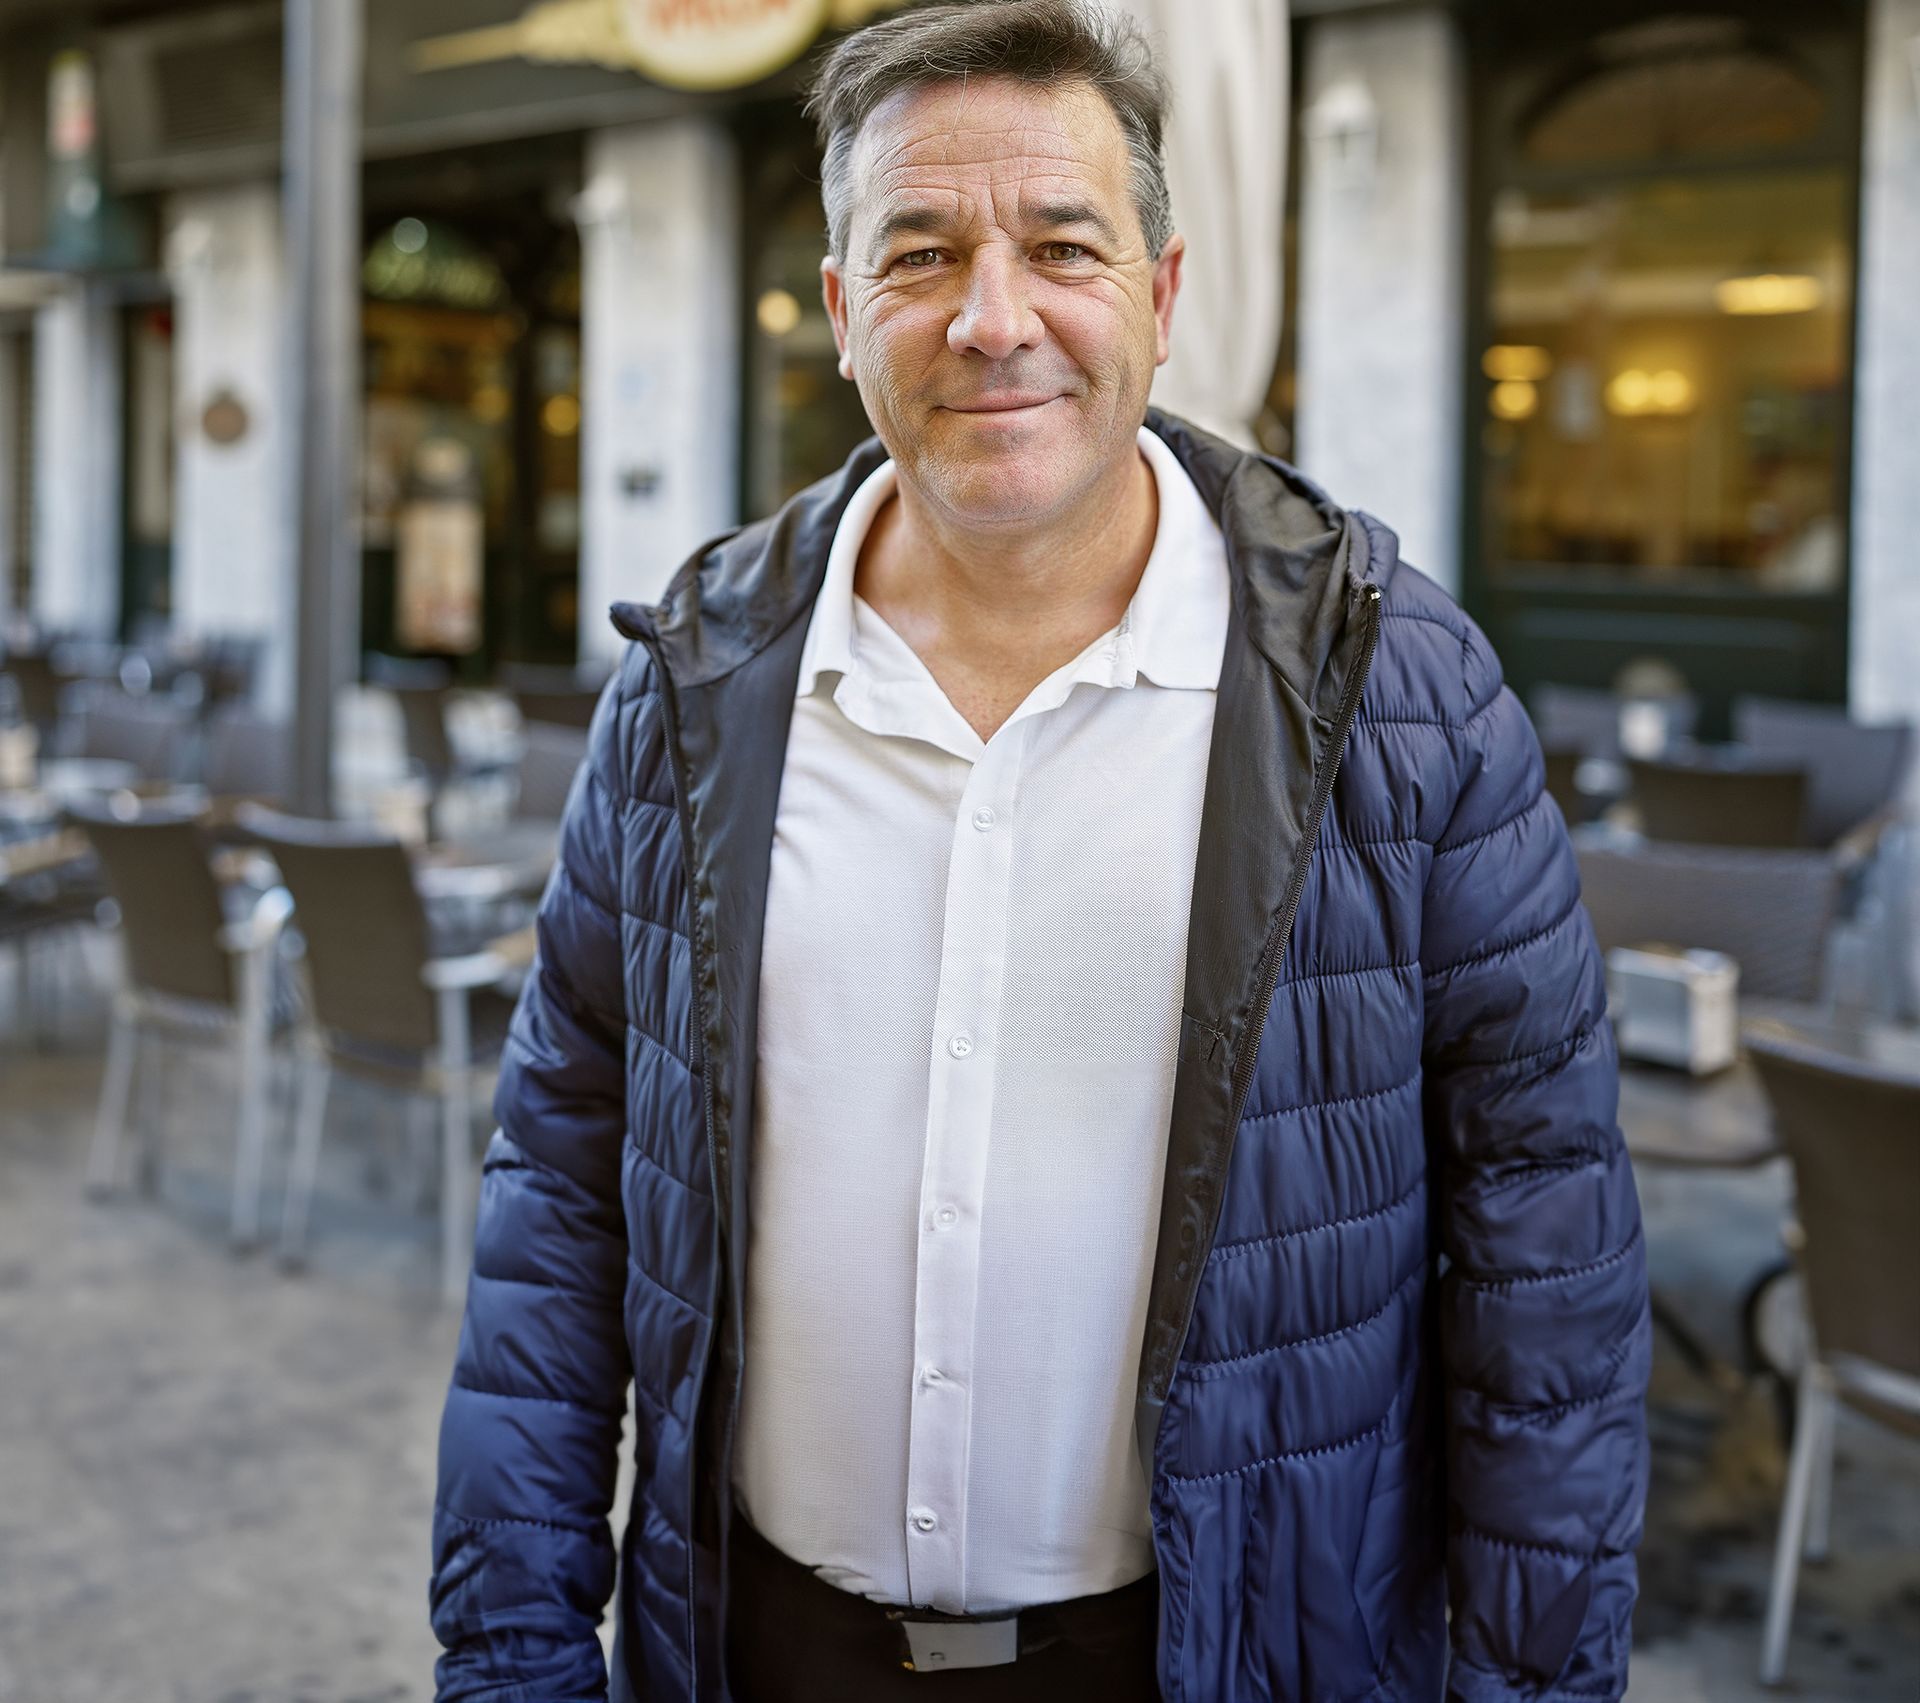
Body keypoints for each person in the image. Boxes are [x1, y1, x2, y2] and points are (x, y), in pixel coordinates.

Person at [429, 3, 1650, 1699]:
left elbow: (1547, 1271)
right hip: (765, 1651)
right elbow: (556, 1209)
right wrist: (509, 1662)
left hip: (1220, 1656)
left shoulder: (1399, 697)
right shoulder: (697, 693)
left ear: (1158, 294)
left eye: (1060, 246)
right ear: (847, 315)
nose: (995, 319)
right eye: (921, 254)